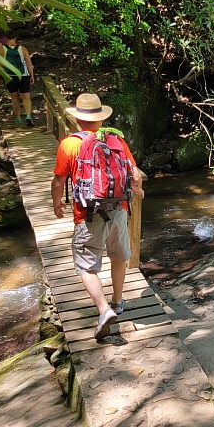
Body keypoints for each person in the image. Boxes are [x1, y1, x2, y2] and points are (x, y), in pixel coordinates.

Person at [50, 93, 145, 340]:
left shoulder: (69, 144)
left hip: (87, 213)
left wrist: (57, 203)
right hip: (119, 209)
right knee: (118, 255)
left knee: (86, 264)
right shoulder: (116, 140)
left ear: (78, 119)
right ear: (101, 119)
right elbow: (134, 174)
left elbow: (59, 181)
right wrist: (139, 191)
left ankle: (103, 310)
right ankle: (117, 301)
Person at [0, 33, 35, 127]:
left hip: (9, 75)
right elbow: (29, 64)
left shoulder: (1, 49)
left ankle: (18, 118)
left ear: (6, 39)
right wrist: (31, 75)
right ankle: (28, 115)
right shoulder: (23, 49)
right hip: (23, 74)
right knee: (26, 97)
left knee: (14, 96)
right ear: (15, 38)